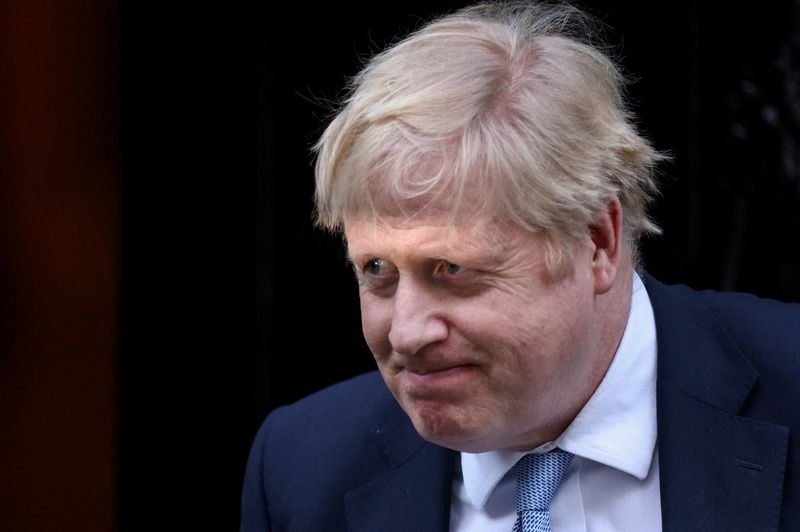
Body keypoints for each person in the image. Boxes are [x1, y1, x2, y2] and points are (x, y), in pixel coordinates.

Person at [242, 2, 800, 530]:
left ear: (598, 240)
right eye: (377, 269)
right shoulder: (302, 468)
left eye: (452, 270)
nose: (408, 333)